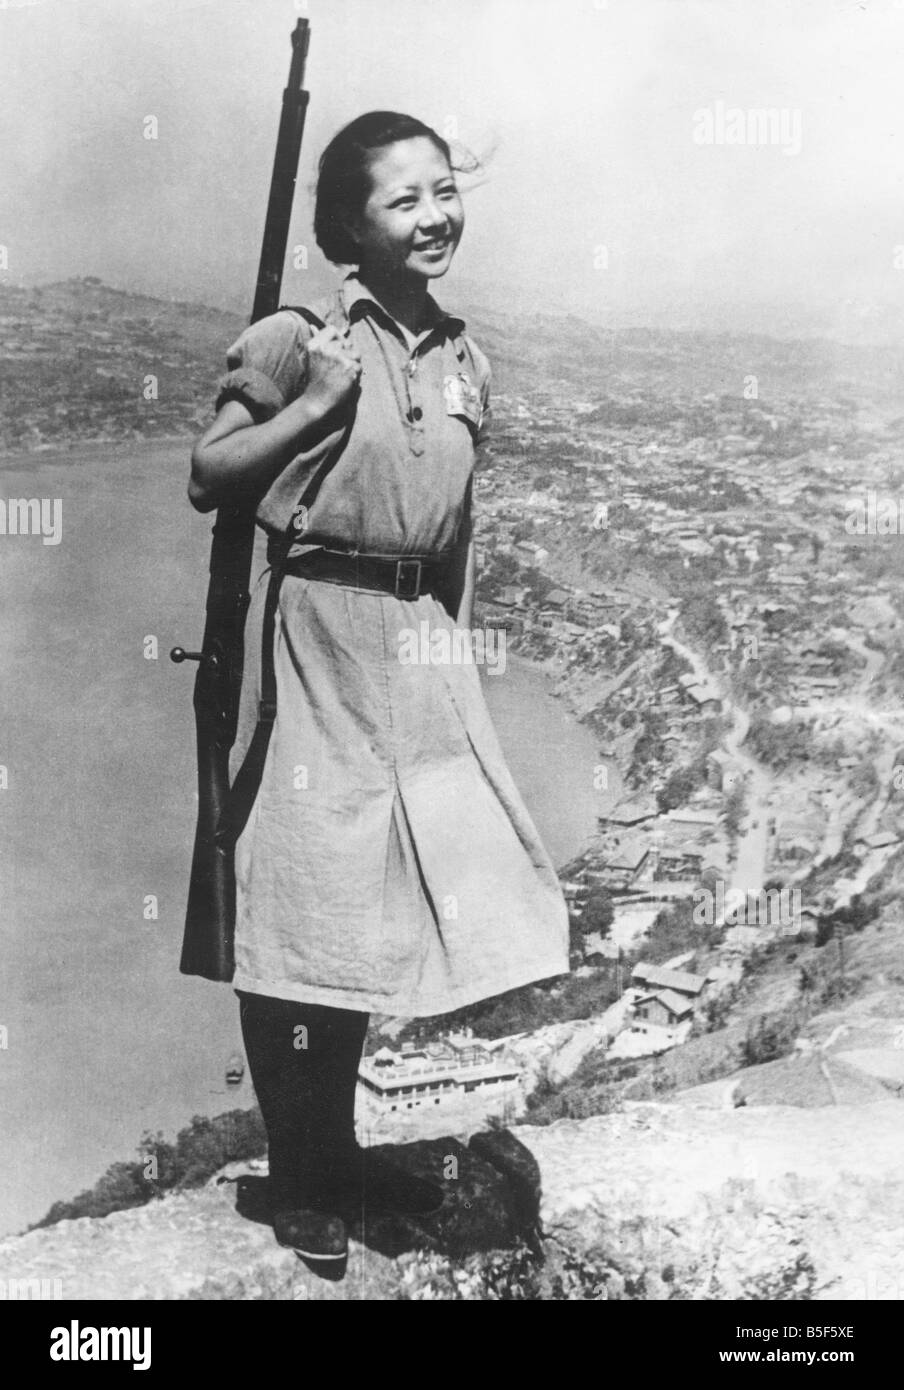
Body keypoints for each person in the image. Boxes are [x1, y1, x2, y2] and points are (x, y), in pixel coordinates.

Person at [189, 112, 568, 1265]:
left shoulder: (465, 357)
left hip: (417, 640)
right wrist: (313, 405)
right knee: (301, 885)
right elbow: (209, 476)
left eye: (444, 190)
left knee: (380, 895)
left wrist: (450, 654)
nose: (435, 215)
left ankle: (338, 1149)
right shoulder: (296, 336)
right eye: (403, 200)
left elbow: (453, 527)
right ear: (350, 226)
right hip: (316, 627)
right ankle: (301, 1174)